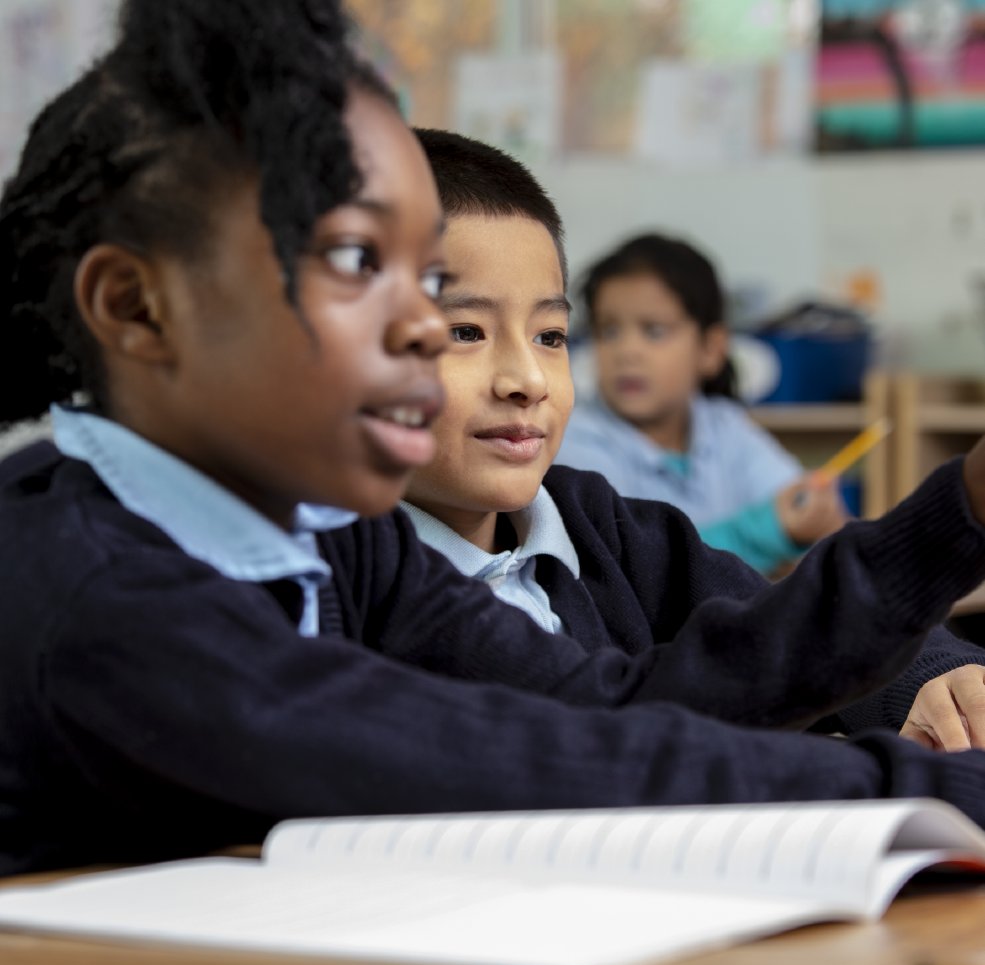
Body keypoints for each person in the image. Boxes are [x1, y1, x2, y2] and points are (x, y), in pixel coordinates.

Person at [3, 0, 985, 880]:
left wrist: (962, 512)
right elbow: (541, 764)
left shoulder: (339, 541)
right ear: (134, 307)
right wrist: (937, 795)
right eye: (358, 260)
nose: (425, 329)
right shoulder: (98, 593)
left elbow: (615, 711)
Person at [402, 126, 985, 746]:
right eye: (465, 331)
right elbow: (614, 742)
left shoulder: (601, 526)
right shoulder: (347, 588)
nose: (527, 380)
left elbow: (772, 627)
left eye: (551, 336)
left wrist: (932, 677)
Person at [553, 232, 848, 575]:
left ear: (710, 349)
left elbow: (794, 500)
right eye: (609, 331)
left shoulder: (724, 427)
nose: (627, 352)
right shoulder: (575, 443)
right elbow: (634, 571)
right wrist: (761, 533)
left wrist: (816, 513)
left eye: (654, 330)